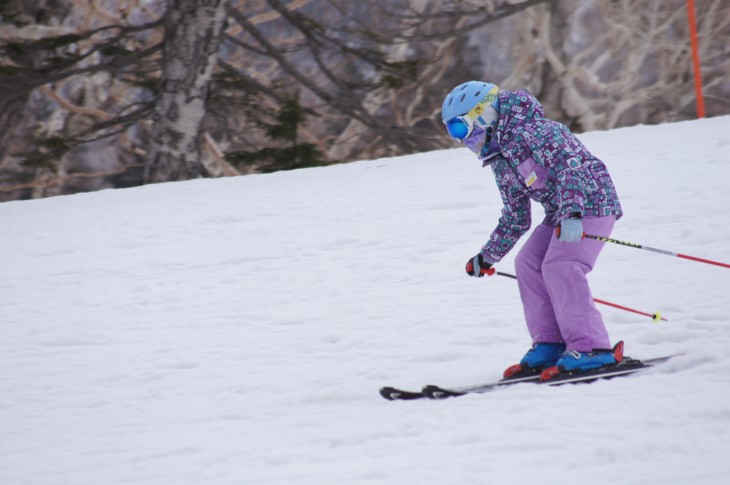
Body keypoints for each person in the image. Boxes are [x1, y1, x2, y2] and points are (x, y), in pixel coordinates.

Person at [441, 81, 623, 376]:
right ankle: (550, 343)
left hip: (591, 203)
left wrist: (573, 213)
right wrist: (487, 256)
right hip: (560, 212)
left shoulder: (538, 131)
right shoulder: (500, 158)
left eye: (462, 129)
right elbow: (516, 215)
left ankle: (592, 347)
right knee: (527, 263)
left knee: (561, 265)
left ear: (484, 114)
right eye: (454, 134)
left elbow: (571, 167)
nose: (464, 141)